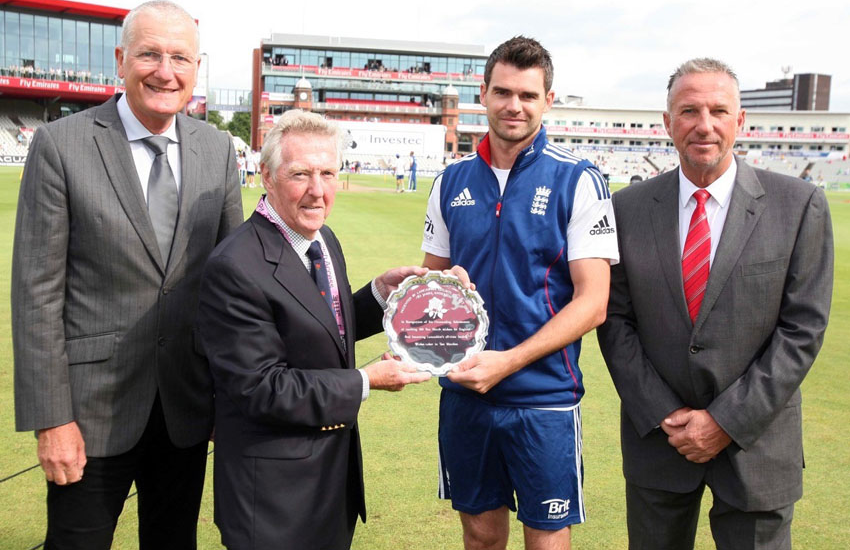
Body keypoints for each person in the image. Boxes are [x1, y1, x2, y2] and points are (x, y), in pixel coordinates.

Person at [11, 0, 243, 550]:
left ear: (196, 68)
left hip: (186, 410)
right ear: (121, 59)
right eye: (150, 54)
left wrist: (231, 395)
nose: (166, 71)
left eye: (180, 57)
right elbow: (36, 295)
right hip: (89, 416)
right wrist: (52, 420)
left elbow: (233, 283)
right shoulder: (60, 145)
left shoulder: (217, 149)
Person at [597, 58, 833, 550]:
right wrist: (664, 414)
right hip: (660, 443)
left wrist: (726, 421)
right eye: (688, 111)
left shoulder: (799, 204)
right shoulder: (627, 209)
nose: (704, 125)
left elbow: (802, 331)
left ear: (740, 120)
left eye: (718, 111)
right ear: (667, 123)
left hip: (757, 445)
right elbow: (615, 322)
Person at [198, 109, 444, 549]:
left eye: (328, 172)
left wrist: (381, 294)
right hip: (274, 500)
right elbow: (262, 388)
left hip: (331, 485)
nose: (318, 190)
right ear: (267, 177)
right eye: (301, 174)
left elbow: (318, 324)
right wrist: (366, 381)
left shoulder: (321, 239)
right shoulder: (235, 266)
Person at [421, 36, 619, 550]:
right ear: (482, 93)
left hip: (544, 400)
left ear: (548, 100)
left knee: (546, 538)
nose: (515, 106)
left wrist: (507, 362)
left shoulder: (579, 179)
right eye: (504, 92)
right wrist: (428, 317)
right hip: (465, 395)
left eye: (529, 95)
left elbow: (593, 302)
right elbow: (430, 287)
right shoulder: (449, 181)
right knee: (480, 535)